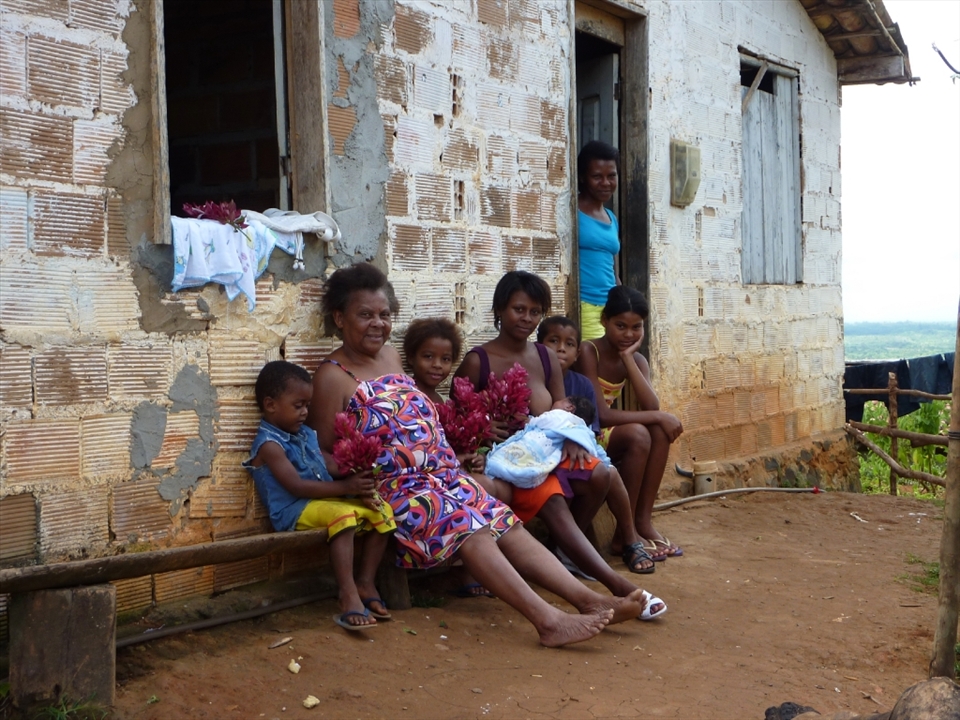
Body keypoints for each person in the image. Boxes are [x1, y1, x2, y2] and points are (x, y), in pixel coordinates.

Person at [307, 262, 648, 647]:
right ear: (340, 318)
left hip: (444, 476)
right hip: (399, 494)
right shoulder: (332, 376)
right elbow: (321, 452)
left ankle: (589, 600)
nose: (377, 324)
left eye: (384, 315)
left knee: (503, 521)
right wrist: (355, 479)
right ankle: (548, 621)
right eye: (365, 315)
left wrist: (456, 454)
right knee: (471, 527)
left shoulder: (389, 356)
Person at [455, 270, 666, 616]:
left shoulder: (544, 356)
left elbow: (561, 407)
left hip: (549, 450)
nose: (526, 318)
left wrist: (573, 437)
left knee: (600, 473)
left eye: (534, 312)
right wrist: (483, 429)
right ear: (499, 310)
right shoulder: (479, 361)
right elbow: (458, 422)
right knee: (550, 496)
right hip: (508, 462)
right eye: (518, 309)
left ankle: (564, 550)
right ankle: (616, 584)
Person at [244, 360, 397, 630]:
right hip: (294, 510)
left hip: (321, 501)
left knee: (381, 509)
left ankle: (365, 582)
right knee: (343, 514)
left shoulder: (304, 434)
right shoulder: (269, 445)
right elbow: (297, 487)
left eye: (307, 405)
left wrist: (360, 469)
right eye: (298, 405)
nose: (305, 412)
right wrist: (347, 488)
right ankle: (347, 594)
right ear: (270, 405)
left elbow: (328, 464)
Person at [538, 315, 657, 574]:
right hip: (544, 454)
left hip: (578, 451)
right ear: (538, 347)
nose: (561, 349)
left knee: (608, 471)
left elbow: (591, 427)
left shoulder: (581, 384)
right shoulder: (535, 380)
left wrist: (579, 442)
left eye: (569, 344)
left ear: (577, 353)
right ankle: (568, 548)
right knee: (601, 472)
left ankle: (628, 540)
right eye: (553, 341)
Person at [575, 286, 685, 561]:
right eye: (620, 326)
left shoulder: (636, 359)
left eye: (636, 327)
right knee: (639, 433)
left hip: (605, 434)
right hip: (582, 435)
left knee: (658, 431)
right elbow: (602, 415)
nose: (628, 334)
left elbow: (651, 405)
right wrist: (658, 416)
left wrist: (628, 359)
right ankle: (626, 534)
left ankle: (642, 522)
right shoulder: (589, 351)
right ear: (604, 321)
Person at [577, 140, 621, 342]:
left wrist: (621, 303)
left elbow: (613, 270)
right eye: (597, 176)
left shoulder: (611, 218)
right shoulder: (572, 211)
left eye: (611, 176)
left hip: (610, 308)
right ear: (582, 177)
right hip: (586, 306)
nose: (605, 182)